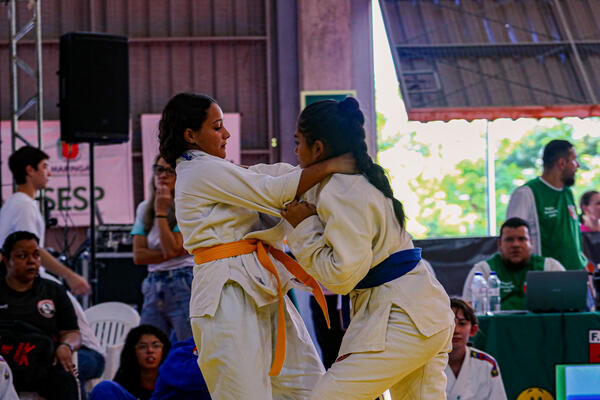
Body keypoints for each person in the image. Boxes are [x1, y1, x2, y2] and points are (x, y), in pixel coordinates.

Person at [157, 92, 356, 400]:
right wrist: (333, 163)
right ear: (190, 135)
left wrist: (323, 164)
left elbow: (269, 175)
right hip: (226, 293)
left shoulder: (221, 171)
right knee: (244, 393)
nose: (227, 134)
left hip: (261, 285)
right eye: (217, 126)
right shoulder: (197, 171)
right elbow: (275, 191)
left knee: (308, 387)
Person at [281, 97, 454, 400]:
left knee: (328, 396)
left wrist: (304, 227)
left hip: (404, 318)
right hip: (422, 311)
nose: (295, 151)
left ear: (317, 148)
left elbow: (342, 277)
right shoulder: (360, 178)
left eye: (298, 143)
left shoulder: (341, 188)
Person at [0, 145, 106, 397]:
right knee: (91, 355)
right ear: (29, 170)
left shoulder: (12, 205)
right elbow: (30, 248)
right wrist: (70, 275)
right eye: (45, 167)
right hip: (29, 294)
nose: (49, 173)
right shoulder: (23, 205)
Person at [0, 231, 81, 400]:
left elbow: (72, 332)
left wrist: (66, 346)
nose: (32, 261)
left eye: (36, 255)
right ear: (6, 260)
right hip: (3, 366)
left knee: (66, 380)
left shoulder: (53, 290)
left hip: (42, 365)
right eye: (22, 256)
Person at [131, 155, 194, 340]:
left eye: (169, 171)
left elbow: (172, 249)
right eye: (159, 169)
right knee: (149, 343)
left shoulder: (187, 206)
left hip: (183, 279)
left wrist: (161, 212)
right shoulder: (144, 208)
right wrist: (174, 252)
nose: (163, 175)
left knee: (188, 347)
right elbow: (138, 256)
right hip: (153, 282)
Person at [506, 139, 587, 270]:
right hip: (547, 277)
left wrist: (584, 266)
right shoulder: (526, 193)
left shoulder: (568, 192)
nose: (577, 165)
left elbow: (572, 239)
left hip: (577, 275)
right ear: (561, 163)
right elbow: (512, 238)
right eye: (573, 160)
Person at [462, 217, 565, 310]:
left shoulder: (550, 266)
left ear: (531, 243)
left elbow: (567, 302)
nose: (516, 244)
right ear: (499, 244)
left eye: (522, 239)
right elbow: (468, 309)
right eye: (509, 239)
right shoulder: (482, 270)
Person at [444, 298, 507, 400]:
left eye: (462, 323)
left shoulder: (487, 365)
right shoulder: (427, 364)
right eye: (449, 324)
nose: (455, 330)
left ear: (473, 330)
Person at [90, 325, 171, 400]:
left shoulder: (172, 378)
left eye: (156, 346)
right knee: (104, 388)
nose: (150, 350)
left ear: (164, 350)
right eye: (142, 347)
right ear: (133, 351)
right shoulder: (125, 377)